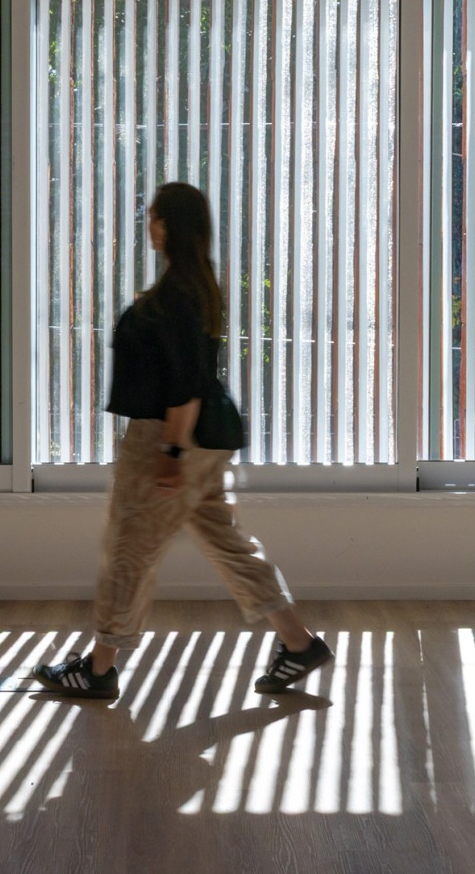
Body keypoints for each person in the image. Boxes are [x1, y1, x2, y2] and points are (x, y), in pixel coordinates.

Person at [33, 182, 332, 700]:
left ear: (171, 224)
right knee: (226, 542)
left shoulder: (178, 294)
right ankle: (299, 643)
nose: (149, 224)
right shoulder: (193, 284)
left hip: (167, 438)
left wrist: (169, 456)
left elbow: (184, 385)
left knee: (129, 548)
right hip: (200, 443)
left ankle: (98, 669)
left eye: (154, 216)